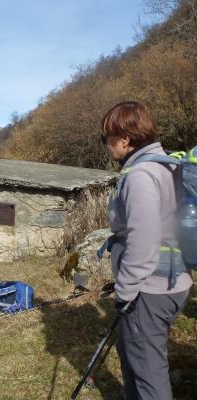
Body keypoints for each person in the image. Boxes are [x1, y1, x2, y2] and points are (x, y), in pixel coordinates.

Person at [101, 101, 193, 400]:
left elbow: (144, 240)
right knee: (135, 357)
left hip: (149, 289)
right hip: (170, 280)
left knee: (148, 373)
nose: (107, 146)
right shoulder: (165, 164)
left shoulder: (141, 176)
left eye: (108, 138)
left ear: (124, 139)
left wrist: (125, 291)